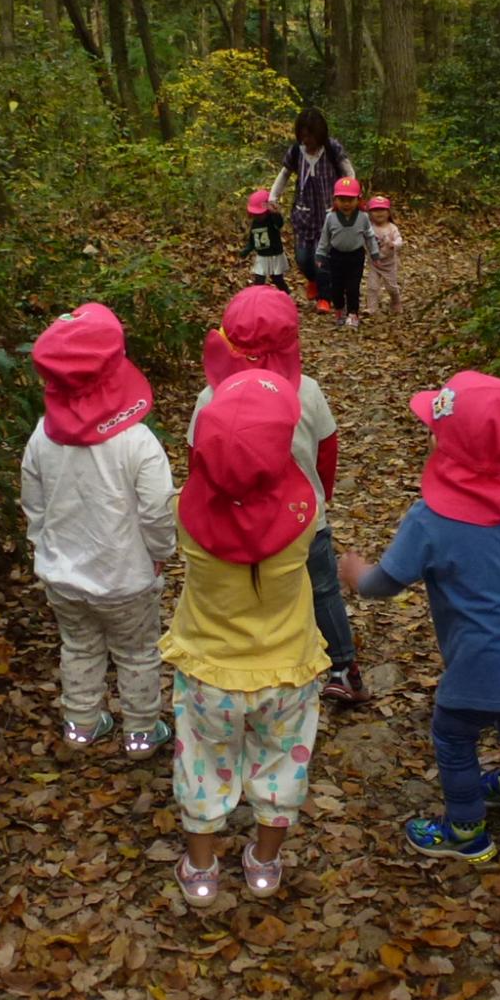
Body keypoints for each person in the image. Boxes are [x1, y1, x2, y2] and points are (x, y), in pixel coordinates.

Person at [339, 371, 500, 864]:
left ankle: (465, 829)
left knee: (453, 733)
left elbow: (385, 585)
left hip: (480, 659)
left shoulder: (431, 518)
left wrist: (356, 573)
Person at [160, 369, 329, 905]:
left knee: (201, 765)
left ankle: (203, 869)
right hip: (288, 670)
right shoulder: (306, 517)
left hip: (208, 669)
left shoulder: (184, 509)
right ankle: (264, 862)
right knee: (282, 766)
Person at [195, 287, 367, 704]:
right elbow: (327, 450)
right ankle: (343, 667)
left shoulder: (211, 398)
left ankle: (260, 664)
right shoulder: (306, 391)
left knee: (254, 592)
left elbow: (198, 461)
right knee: (322, 589)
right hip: (306, 517)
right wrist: (320, 496)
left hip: (238, 520)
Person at [21, 304, 175, 756]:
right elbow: (157, 511)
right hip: (127, 577)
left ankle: (81, 726)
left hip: (63, 576)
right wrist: (159, 551)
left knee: (79, 647)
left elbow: (34, 504)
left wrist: (42, 550)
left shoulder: (42, 436)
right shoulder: (138, 442)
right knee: (138, 652)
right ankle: (142, 733)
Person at [267, 108, 354, 310]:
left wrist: (349, 197)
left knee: (322, 257)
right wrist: (273, 197)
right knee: (303, 258)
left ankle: (325, 297)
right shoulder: (297, 151)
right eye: (303, 135)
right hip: (303, 212)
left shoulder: (332, 148)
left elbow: (348, 172)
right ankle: (313, 280)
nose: (307, 140)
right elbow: (284, 174)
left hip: (329, 212)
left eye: (311, 135)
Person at [318, 178, 377, 327]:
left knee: (353, 286)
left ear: (358, 200)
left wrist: (374, 252)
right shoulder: (330, 217)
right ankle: (339, 310)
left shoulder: (363, 217)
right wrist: (320, 254)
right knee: (336, 287)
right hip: (336, 255)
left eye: (350, 200)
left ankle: (353, 313)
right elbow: (325, 237)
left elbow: (369, 236)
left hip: (355, 256)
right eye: (342, 199)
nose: (346, 204)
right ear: (335, 200)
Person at [243, 188, 291, 293]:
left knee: (277, 278)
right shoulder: (255, 223)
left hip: (274, 255)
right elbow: (253, 238)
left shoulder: (272, 220)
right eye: (255, 214)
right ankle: (256, 299)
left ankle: (286, 294)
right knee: (259, 280)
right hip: (262, 256)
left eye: (259, 214)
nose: (258, 216)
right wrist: (248, 249)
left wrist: (275, 213)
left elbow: (280, 224)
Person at [367, 197, 404, 313]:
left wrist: (394, 244)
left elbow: (400, 240)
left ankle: (396, 302)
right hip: (374, 263)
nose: (379, 213)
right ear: (370, 213)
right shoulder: (369, 228)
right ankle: (371, 308)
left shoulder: (392, 228)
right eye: (375, 210)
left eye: (382, 210)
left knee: (391, 288)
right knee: (372, 287)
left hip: (389, 264)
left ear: (388, 212)